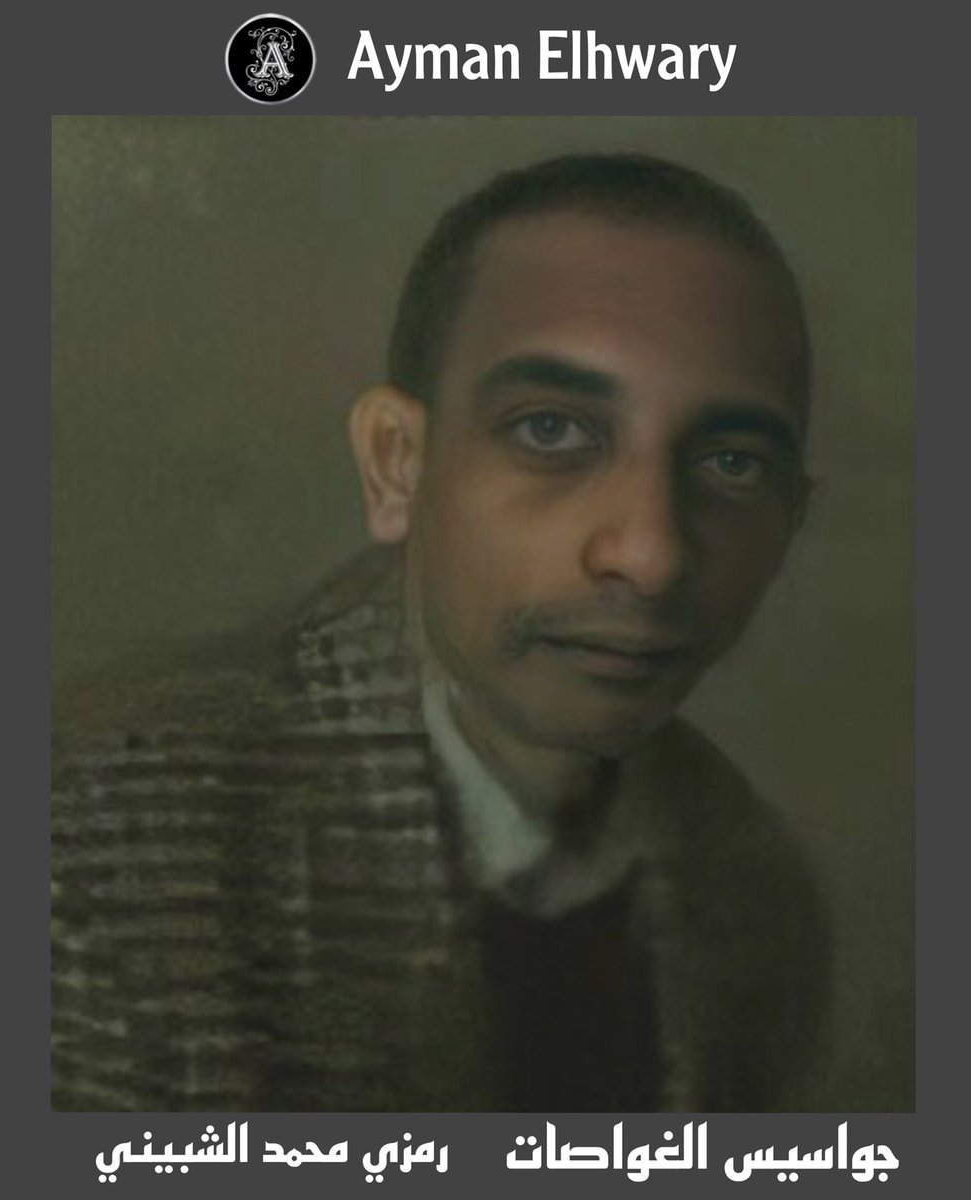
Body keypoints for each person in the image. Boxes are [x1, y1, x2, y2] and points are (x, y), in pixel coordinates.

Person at [52, 153, 830, 1113]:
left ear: (789, 525)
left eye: (731, 463)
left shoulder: (754, 889)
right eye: (551, 430)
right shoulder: (102, 841)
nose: (651, 553)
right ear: (397, 467)